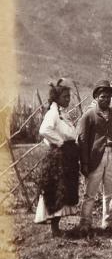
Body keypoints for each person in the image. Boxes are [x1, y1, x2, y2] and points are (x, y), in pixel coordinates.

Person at [78, 79, 112, 233]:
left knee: (110, 191)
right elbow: (83, 141)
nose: (105, 99)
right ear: (96, 97)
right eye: (102, 97)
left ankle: (109, 223)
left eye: (108, 97)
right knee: (90, 191)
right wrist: (84, 162)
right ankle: (85, 222)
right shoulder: (89, 115)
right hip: (95, 156)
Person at [34, 79, 80, 236]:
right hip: (59, 156)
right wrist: (60, 142)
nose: (68, 99)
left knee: (64, 189)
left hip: (66, 155)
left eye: (69, 97)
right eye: (65, 97)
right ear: (57, 98)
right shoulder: (53, 113)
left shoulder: (61, 113)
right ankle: (54, 228)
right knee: (57, 190)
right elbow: (44, 130)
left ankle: (56, 227)